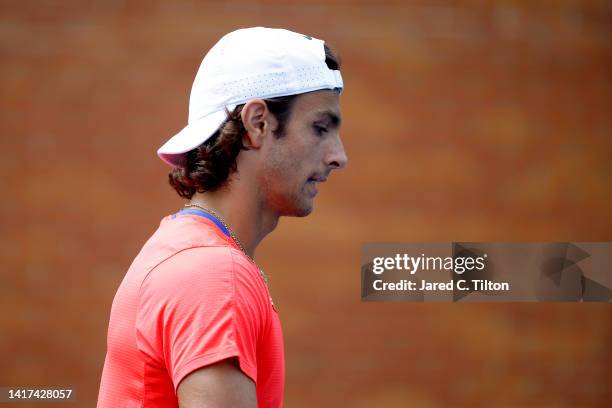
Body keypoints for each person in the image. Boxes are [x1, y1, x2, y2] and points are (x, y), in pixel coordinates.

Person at [96, 27, 347, 408]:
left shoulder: (187, 250)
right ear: (258, 123)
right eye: (320, 128)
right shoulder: (215, 275)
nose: (337, 156)